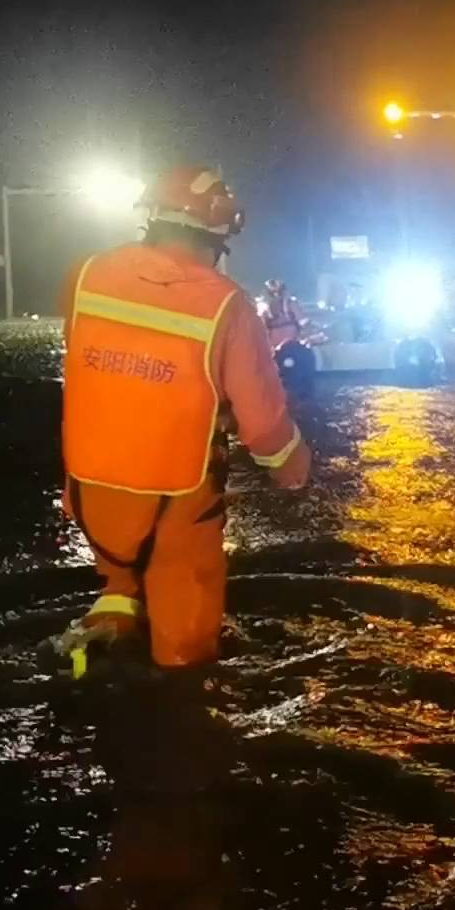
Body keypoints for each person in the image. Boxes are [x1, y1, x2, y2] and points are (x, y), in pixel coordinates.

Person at [59, 164, 311, 668]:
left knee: (120, 582)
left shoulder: (85, 277)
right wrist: (294, 471)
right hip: (176, 505)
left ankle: (91, 655)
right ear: (219, 238)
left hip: (91, 494)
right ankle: (178, 719)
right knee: (185, 649)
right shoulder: (227, 305)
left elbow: (101, 366)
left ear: (151, 218)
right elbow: (264, 428)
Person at [260, 278, 308, 347]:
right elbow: (303, 321)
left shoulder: (264, 308)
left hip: (273, 343)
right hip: (291, 340)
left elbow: (262, 327)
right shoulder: (290, 303)